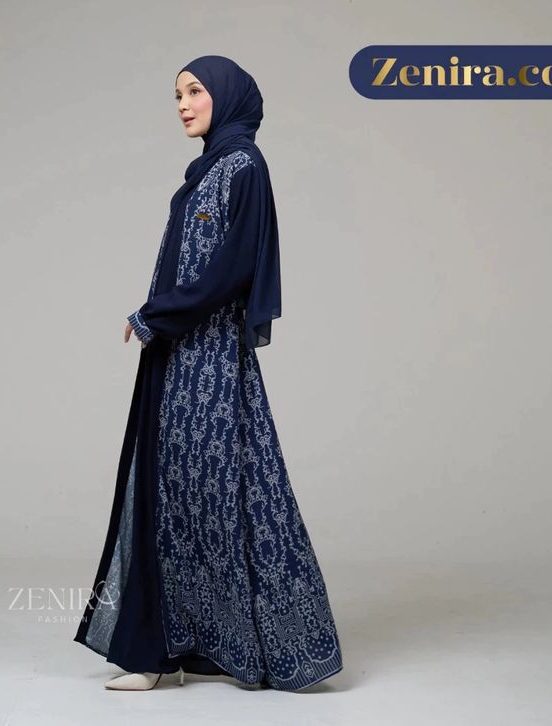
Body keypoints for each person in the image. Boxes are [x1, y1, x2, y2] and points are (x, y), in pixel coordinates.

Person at [73, 54, 343, 692]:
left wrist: (155, 315)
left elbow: (232, 270)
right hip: (175, 357)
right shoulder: (205, 171)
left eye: (195, 91)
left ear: (226, 96)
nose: (183, 105)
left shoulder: (244, 166)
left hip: (210, 361)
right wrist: (160, 324)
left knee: (227, 496)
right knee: (171, 494)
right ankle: (163, 648)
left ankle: (267, 648)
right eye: (177, 95)